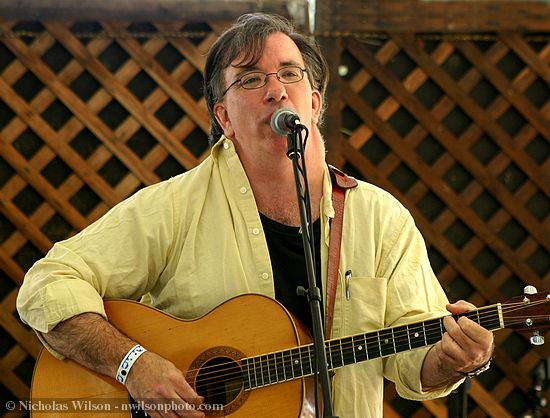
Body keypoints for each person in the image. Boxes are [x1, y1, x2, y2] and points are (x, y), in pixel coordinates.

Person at [17, 12, 494, 418]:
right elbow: (48, 284)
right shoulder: (175, 207)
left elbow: (414, 363)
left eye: (290, 74)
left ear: (314, 102)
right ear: (223, 117)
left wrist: (454, 359)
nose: (275, 91)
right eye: (250, 78)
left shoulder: (382, 219)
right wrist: (133, 364)